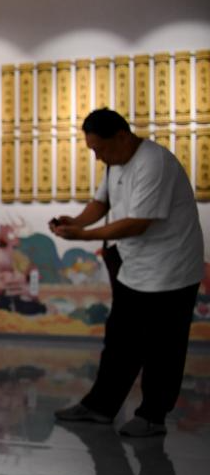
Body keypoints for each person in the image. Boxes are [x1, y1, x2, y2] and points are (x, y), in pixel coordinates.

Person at [52, 108, 204, 437]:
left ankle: (153, 416)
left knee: (164, 346)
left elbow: (137, 223)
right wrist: (75, 222)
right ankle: (100, 406)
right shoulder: (115, 161)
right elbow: (101, 203)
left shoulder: (153, 163)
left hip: (171, 269)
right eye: (93, 150)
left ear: (122, 136)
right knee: (120, 339)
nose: (98, 157)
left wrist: (84, 236)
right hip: (135, 266)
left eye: (100, 149)